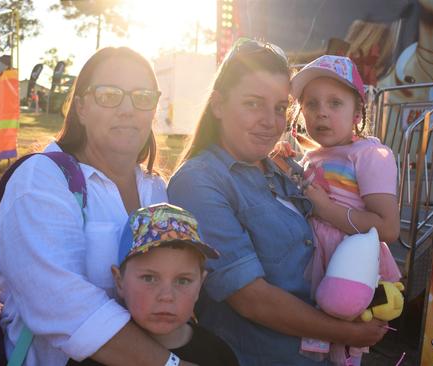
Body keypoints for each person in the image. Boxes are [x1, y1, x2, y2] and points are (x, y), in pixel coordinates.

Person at [167, 38, 388, 366]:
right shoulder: (199, 181)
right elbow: (251, 299)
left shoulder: (286, 170)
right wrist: (347, 334)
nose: (270, 122)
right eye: (253, 103)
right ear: (218, 105)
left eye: (279, 108)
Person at [0, 47, 197, 366]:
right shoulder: (40, 181)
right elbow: (60, 304)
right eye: (109, 95)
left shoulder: (156, 188)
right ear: (82, 107)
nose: (128, 109)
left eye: (142, 97)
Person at [283, 55, 402, 365]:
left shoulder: (370, 155)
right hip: (313, 261)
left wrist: (325, 209)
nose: (321, 112)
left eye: (335, 103)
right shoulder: (312, 156)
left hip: (346, 265)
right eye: (311, 104)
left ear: (357, 112)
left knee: (344, 350)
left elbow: (388, 228)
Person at [70, 203, 239, 366]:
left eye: (183, 280)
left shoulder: (218, 354)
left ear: (200, 285)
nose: (166, 296)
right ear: (119, 281)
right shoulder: (94, 358)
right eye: (149, 278)